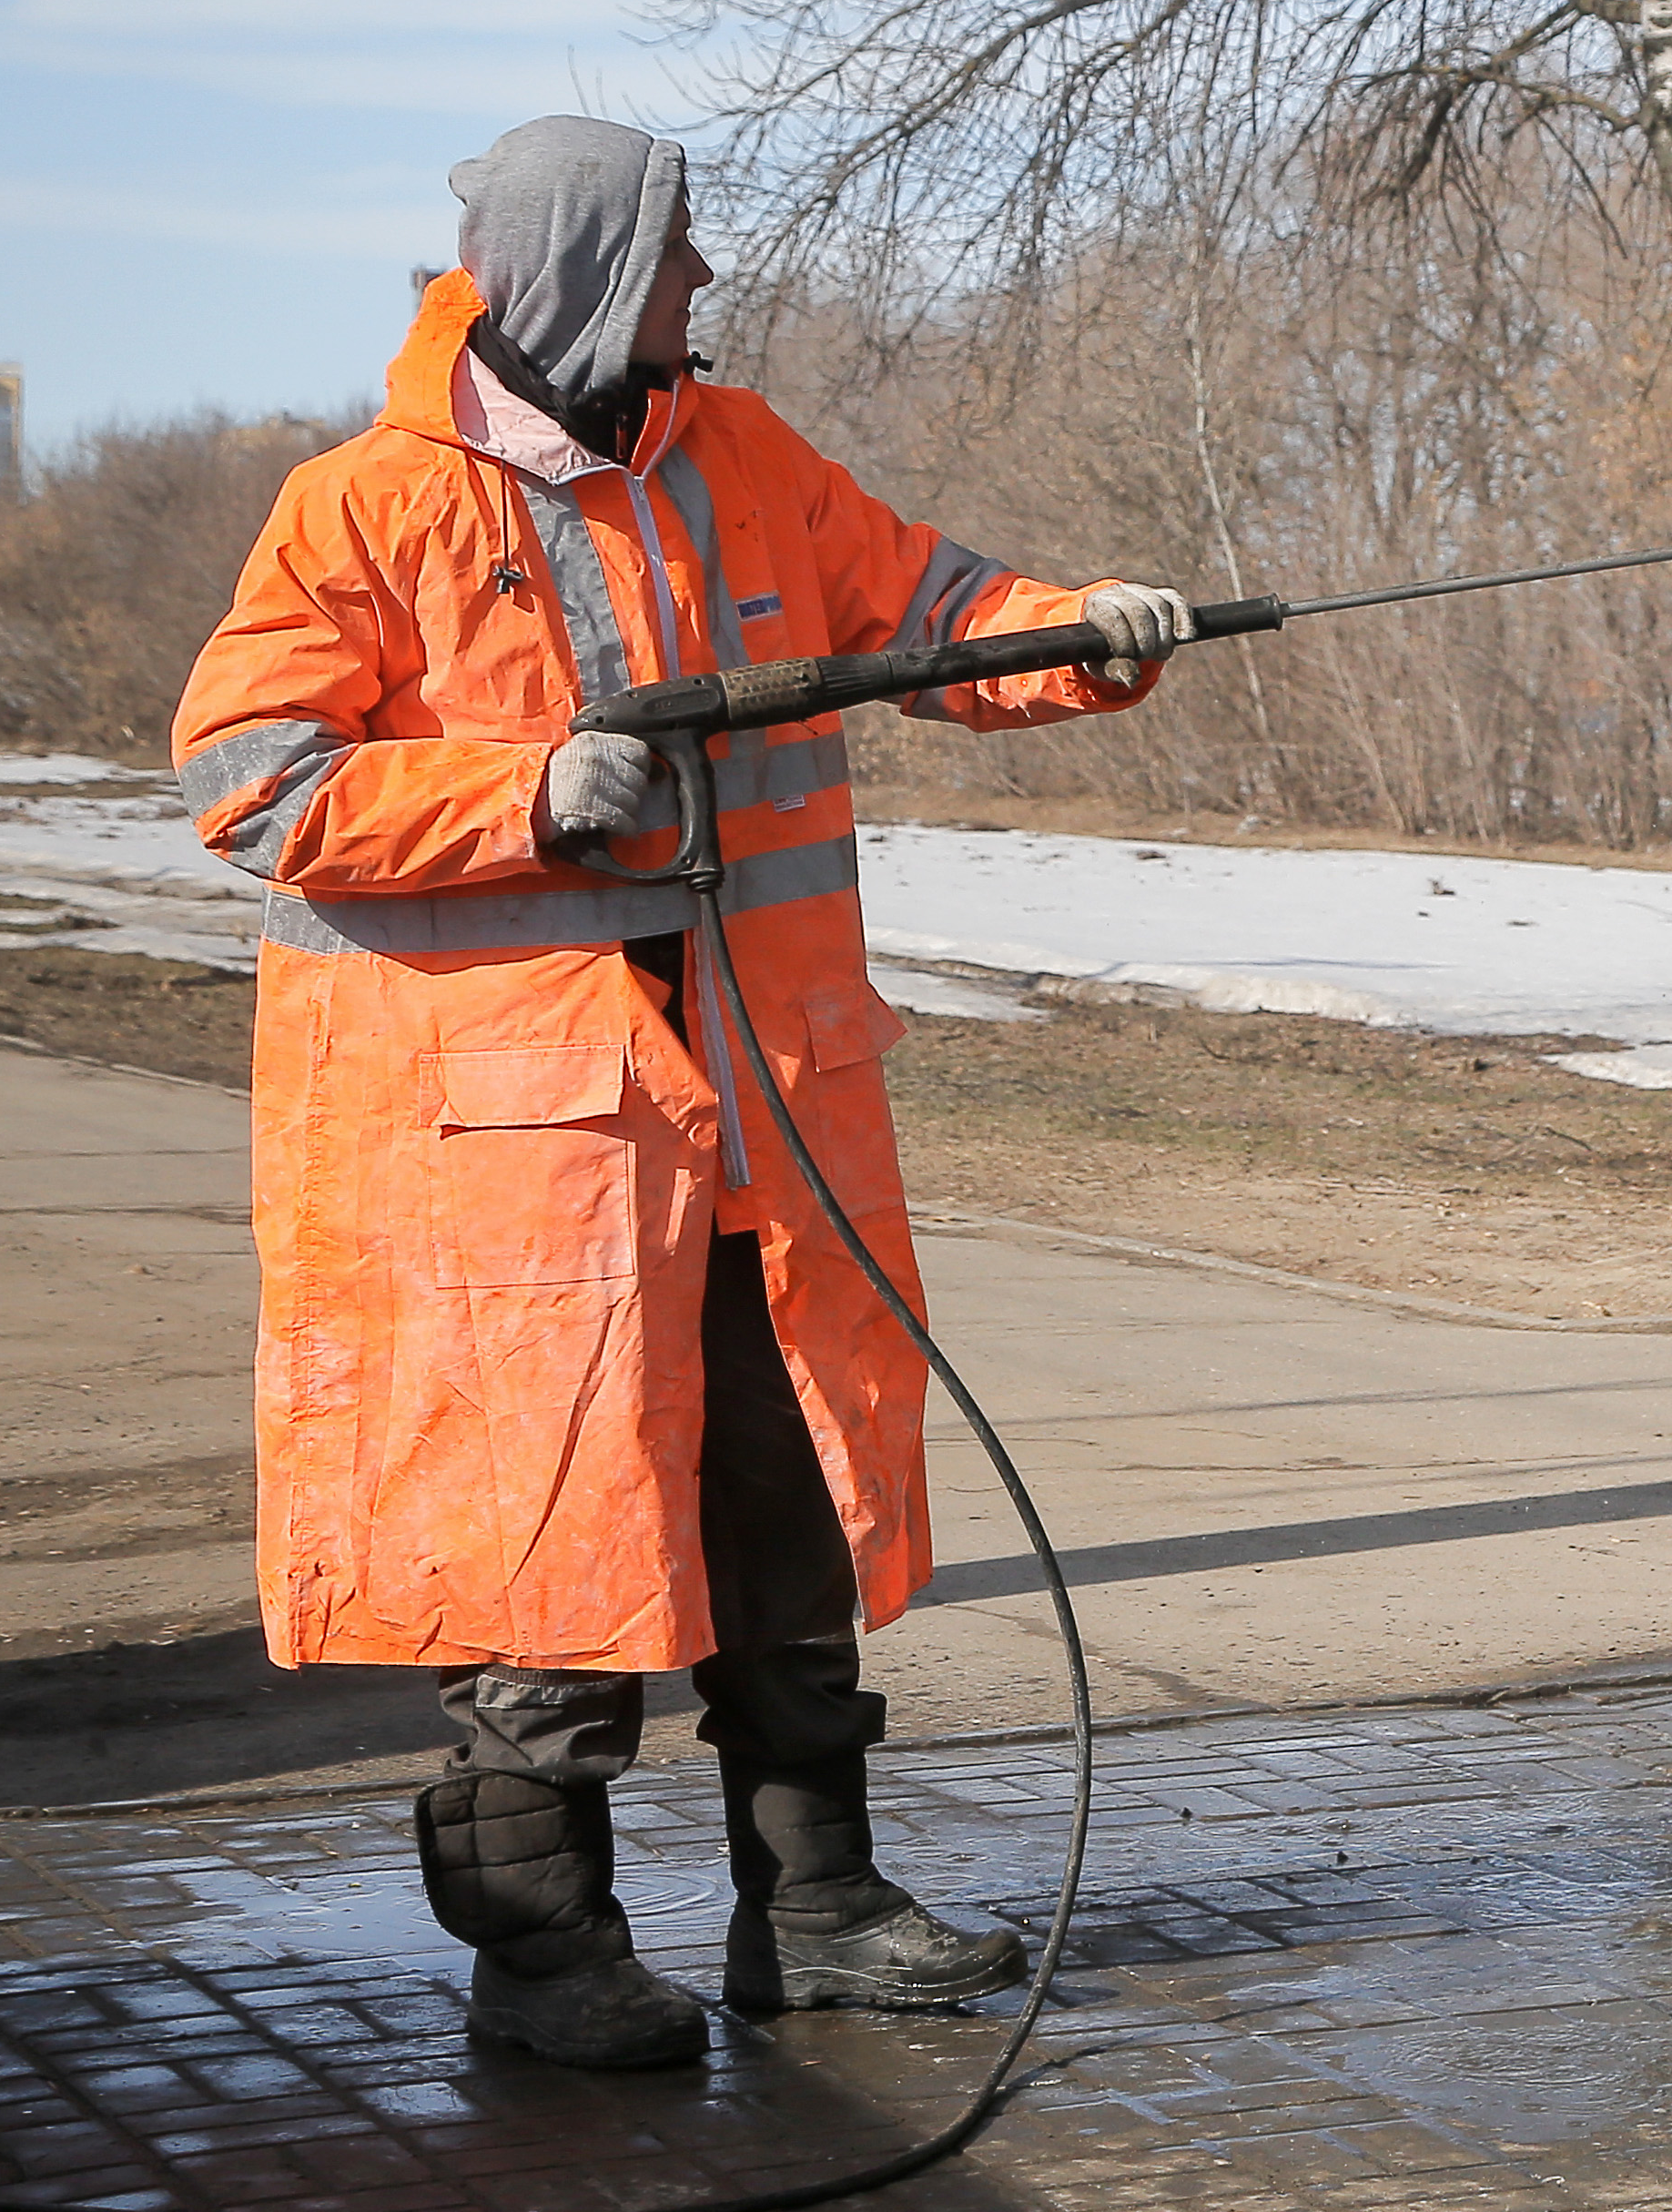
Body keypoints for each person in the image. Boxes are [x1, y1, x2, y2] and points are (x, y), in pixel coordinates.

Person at [173, 117, 1198, 2069]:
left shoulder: (745, 464)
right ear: (573, 271)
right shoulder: (361, 509)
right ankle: (547, 1957)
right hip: (514, 1157)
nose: (704, 284)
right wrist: (528, 793)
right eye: (673, 253)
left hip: (754, 1117)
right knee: (540, 1544)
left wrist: (1087, 637)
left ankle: (814, 1915)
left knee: (784, 1508)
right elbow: (254, 782)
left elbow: (935, 611)